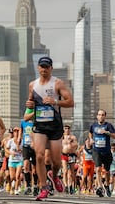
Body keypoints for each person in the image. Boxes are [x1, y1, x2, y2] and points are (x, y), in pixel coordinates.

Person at [24, 56, 74, 201]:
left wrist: (55, 101)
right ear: (38, 68)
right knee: (39, 155)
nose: (44, 69)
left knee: (57, 161)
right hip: (39, 125)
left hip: (55, 125)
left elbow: (70, 102)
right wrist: (29, 106)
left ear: (51, 68)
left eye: (47, 67)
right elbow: (30, 102)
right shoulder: (32, 85)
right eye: (42, 66)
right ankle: (43, 187)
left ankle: (55, 175)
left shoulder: (57, 83)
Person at [89, 109, 115, 197]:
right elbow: (90, 132)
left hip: (106, 151)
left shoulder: (108, 125)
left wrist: (106, 132)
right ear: (97, 116)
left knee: (107, 171)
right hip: (96, 150)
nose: (100, 116)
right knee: (98, 169)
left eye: (102, 115)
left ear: (105, 116)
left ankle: (107, 185)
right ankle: (100, 187)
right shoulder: (93, 125)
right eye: (99, 115)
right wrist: (90, 139)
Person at [20, 114, 37, 196]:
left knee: (35, 168)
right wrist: (18, 142)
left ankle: (36, 185)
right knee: (26, 165)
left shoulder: (36, 122)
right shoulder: (23, 122)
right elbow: (21, 131)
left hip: (35, 146)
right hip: (25, 146)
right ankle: (28, 185)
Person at [5, 127, 23, 195]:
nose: (16, 133)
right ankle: (12, 185)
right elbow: (6, 149)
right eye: (15, 131)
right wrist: (10, 153)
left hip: (19, 160)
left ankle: (16, 189)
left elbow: (25, 150)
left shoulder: (22, 141)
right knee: (12, 177)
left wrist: (21, 150)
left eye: (18, 131)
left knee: (17, 176)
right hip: (12, 161)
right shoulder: (10, 141)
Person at [61, 124, 78, 194]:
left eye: (68, 128)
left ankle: (71, 186)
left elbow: (76, 145)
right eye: (65, 128)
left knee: (71, 172)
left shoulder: (73, 137)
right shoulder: (61, 137)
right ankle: (65, 186)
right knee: (64, 171)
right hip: (64, 155)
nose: (67, 130)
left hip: (71, 155)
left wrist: (71, 142)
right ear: (64, 129)